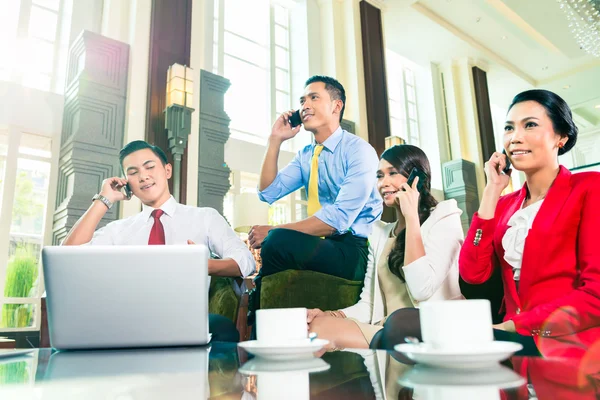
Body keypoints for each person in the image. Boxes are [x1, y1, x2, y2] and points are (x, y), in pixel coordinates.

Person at [62, 140, 256, 342]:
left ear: (167, 170)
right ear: (127, 183)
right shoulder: (118, 231)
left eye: (149, 167)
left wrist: (203, 264)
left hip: (185, 320)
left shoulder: (204, 218)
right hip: (127, 321)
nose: (143, 176)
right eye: (133, 172)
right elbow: (67, 258)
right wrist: (104, 199)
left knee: (221, 328)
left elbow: (245, 260)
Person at [459, 89, 600, 355]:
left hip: (573, 356)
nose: (515, 138)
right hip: (518, 362)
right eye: (509, 128)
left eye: (530, 125)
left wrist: (513, 327)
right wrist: (491, 191)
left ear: (561, 137)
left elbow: (596, 296)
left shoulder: (590, 189)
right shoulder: (504, 205)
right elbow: (472, 274)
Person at [307, 144, 464, 349]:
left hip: (434, 329)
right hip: (389, 330)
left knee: (322, 332)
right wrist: (333, 315)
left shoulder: (444, 216)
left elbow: (421, 289)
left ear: (417, 178)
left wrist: (411, 216)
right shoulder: (380, 233)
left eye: (393, 173)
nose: (384, 183)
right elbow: (369, 304)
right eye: (380, 176)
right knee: (316, 326)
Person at [248, 76, 382, 304]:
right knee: (277, 246)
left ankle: (257, 307)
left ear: (336, 106)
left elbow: (338, 219)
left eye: (314, 98)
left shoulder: (359, 151)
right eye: (302, 100)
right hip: (323, 245)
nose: (304, 105)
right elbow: (268, 192)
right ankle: (263, 314)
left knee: (277, 240)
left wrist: (273, 230)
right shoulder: (307, 155)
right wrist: (275, 140)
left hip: (353, 250)